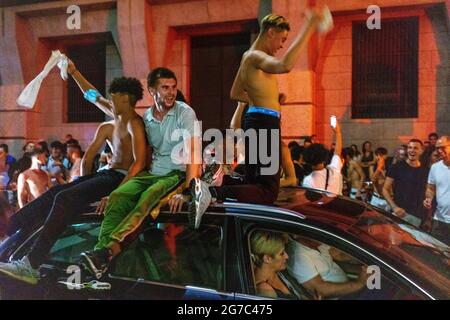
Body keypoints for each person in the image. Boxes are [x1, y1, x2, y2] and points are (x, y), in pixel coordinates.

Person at [0, 64, 147, 285]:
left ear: (126, 99)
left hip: (117, 179)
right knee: (55, 194)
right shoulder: (116, 117)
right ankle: (7, 229)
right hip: (103, 176)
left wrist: (118, 193)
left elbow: (140, 163)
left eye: (114, 98)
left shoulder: (136, 124)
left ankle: (31, 263)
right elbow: (92, 96)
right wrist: (74, 71)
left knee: (62, 198)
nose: (110, 101)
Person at [190, 10, 333, 226]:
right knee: (267, 191)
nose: (282, 45)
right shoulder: (256, 56)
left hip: (256, 121)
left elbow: (235, 93)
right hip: (264, 124)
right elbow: (285, 65)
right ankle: (210, 191)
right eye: (282, 39)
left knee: (254, 182)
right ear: (271, 32)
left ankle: (219, 182)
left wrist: (266, 99)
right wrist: (310, 27)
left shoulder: (248, 56)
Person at [79, 67, 202, 278]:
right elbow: (106, 104)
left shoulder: (185, 113)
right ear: (152, 90)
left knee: (147, 199)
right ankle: (99, 257)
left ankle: (109, 251)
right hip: (152, 172)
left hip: (175, 175)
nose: (171, 92)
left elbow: (194, 154)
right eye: (165, 88)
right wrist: (76, 74)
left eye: (173, 87)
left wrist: (189, 192)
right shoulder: (146, 117)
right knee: (118, 196)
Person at [287, 235, 369, 299]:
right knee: (379, 292)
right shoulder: (298, 257)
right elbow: (320, 290)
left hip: (350, 288)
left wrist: (365, 259)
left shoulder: (317, 242)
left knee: (378, 282)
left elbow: (339, 255)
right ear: (305, 235)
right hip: (340, 297)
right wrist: (359, 284)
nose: (324, 239)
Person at [382, 139, 428, 228]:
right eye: (410, 148)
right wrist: (394, 207)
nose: (412, 150)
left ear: (421, 151)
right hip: (399, 214)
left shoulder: (426, 170)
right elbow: (385, 189)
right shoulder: (396, 167)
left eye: (415, 148)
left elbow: (428, 192)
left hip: (417, 216)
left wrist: (428, 217)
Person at [251, 230, 301, 299]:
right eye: (282, 254)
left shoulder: (278, 274)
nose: (287, 256)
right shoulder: (265, 290)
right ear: (267, 259)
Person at [302, 118, 343, 195]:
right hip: (336, 206)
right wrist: (338, 132)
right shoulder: (334, 171)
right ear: (324, 158)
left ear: (307, 161)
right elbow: (337, 152)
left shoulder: (308, 180)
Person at [423, 136, 450, 244]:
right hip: (439, 219)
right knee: (437, 255)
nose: (439, 151)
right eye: (437, 148)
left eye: (443, 147)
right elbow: (430, 188)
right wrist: (428, 199)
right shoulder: (435, 167)